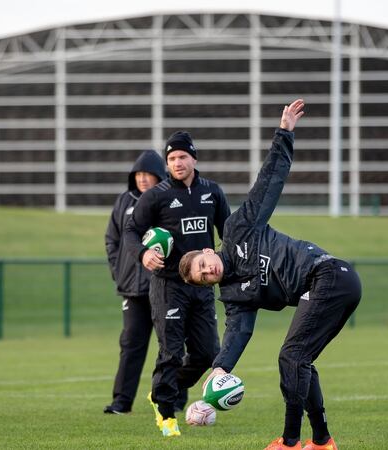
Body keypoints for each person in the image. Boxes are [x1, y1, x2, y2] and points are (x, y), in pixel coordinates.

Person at [178, 99, 362, 450]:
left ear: (206, 252)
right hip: (326, 286)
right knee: (300, 360)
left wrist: (284, 134)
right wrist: (219, 368)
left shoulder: (238, 229)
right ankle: (322, 441)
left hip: (331, 275)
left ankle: (290, 443)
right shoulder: (234, 295)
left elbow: (269, 183)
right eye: (203, 278)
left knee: (291, 357)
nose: (208, 272)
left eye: (204, 265)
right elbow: (237, 332)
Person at [123, 130, 231, 437]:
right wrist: (143, 254)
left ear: (194, 158)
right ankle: (167, 415)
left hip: (202, 286)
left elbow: (228, 233)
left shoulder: (212, 192)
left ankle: (161, 389)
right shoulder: (156, 196)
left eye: (182, 157)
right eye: (171, 159)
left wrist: (221, 258)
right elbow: (131, 231)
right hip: (168, 284)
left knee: (208, 353)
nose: (177, 163)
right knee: (170, 351)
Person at [103, 149, 167, 415]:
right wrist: (119, 272)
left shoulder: (166, 199)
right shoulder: (123, 201)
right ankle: (121, 402)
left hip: (164, 287)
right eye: (138, 175)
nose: (142, 179)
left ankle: (171, 400)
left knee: (170, 346)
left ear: (158, 176)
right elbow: (112, 240)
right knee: (130, 344)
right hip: (132, 288)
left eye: (147, 174)